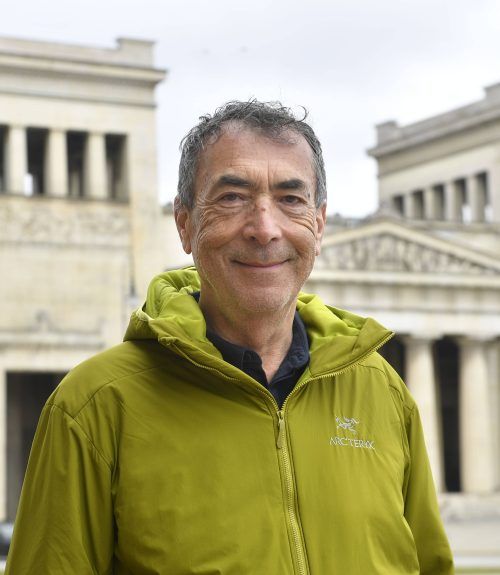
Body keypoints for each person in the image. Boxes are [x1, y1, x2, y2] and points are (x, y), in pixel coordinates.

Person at [6, 100, 454, 574]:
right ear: (184, 224)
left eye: (290, 199)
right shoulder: (94, 404)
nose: (265, 229)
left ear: (319, 224)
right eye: (233, 197)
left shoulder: (381, 390)